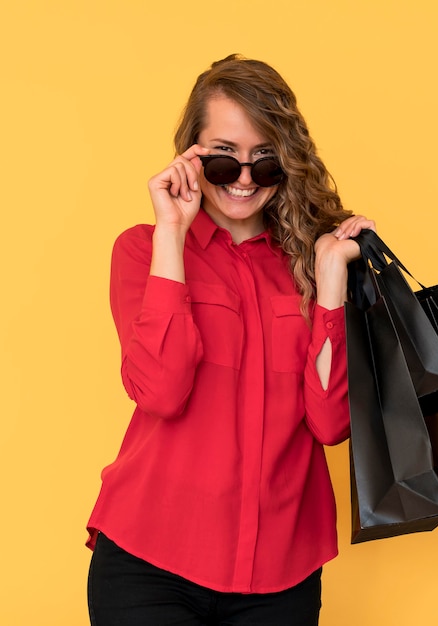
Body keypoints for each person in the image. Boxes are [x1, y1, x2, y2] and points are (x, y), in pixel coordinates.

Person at [86, 54, 376, 625]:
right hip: (151, 560)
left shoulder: (311, 265)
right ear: (191, 155)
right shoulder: (142, 251)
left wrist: (331, 283)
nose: (244, 181)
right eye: (223, 161)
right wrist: (173, 229)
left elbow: (329, 423)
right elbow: (162, 391)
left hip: (281, 571)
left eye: (264, 163)